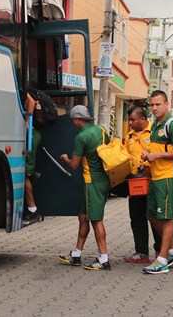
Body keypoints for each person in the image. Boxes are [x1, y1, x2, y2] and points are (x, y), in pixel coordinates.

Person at [58, 105, 111, 271]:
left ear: (76, 120)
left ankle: (104, 259)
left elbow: (74, 165)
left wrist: (65, 159)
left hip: (92, 182)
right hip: (103, 179)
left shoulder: (81, 136)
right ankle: (76, 254)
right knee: (83, 216)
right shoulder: (101, 131)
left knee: (96, 220)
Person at [140, 90, 173, 274]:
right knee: (152, 215)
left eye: (158, 104)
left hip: (168, 177)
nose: (154, 108)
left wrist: (157, 155)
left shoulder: (172, 125)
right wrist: (147, 155)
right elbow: (158, 149)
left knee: (166, 218)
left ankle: (162, 260)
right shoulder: (156, 125)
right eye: (152, 104)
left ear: (167, 104)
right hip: (156, 177)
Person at [123, 105, 162, 263]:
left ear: (143, 119)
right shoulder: (130, 137)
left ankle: (161, 250)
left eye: (133, 120)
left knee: (155, 216)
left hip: (153, 181)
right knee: (137, 216)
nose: (130, 123)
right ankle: (141, 252)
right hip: (135, 183)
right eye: (129, 120)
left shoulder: (155, 133)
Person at [23, 92, 42, 226]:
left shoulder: (29, 97)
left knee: (24, 175)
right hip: (32, 135)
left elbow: (30, 100)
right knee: (25, 174)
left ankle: (33, 210)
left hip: (31, 135)